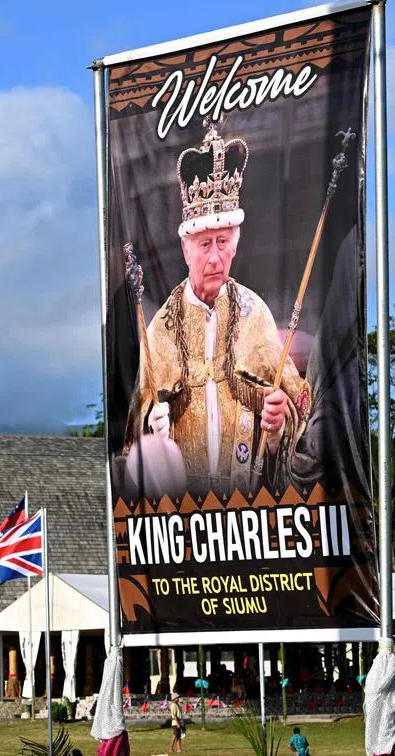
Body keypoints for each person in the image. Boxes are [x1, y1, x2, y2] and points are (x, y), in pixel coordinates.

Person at [120, 120, 312, 498]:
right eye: (204, 244)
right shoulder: (162, 327)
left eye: (223, 242)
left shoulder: (254, 312)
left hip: (246, 508)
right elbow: (137, 424)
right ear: (186, 249)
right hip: (184, 513)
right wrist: (150, 424)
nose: (214, 257)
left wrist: (277, 423)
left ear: (236, 245)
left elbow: (293, 401)